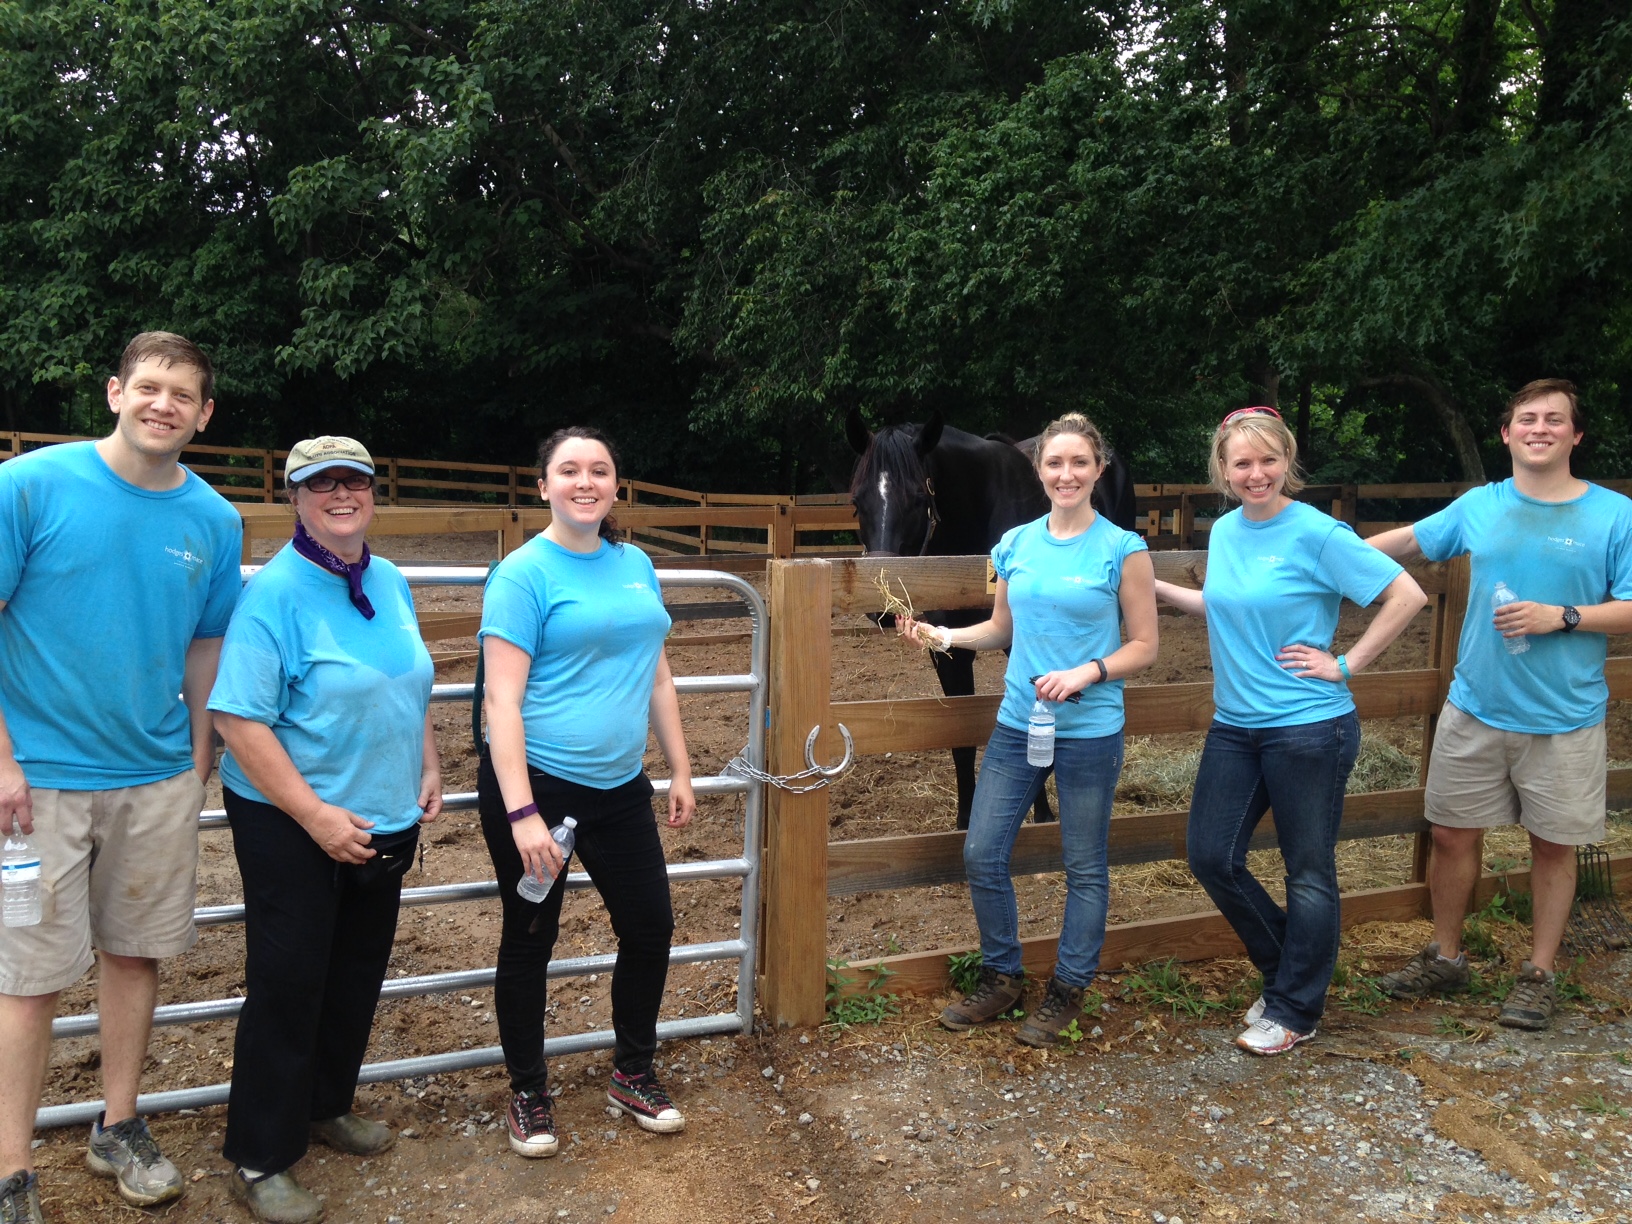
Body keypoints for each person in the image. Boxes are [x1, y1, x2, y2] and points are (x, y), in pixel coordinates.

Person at [0, 333, 242, 1220]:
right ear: (114, 391)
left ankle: (120, 1123)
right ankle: (11, 1167)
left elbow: (207, 642)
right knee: (27, 976)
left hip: (153, 774)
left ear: (204, 414)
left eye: (183, 394)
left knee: (134, 953)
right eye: (148, 386)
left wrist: (201, 748)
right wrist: (1, 763)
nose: (163, 404)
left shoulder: (213, 521)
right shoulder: (30, 487)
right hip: (39, 782)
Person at [208, 437, 440, 1222]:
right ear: (296, 498)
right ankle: (259, 1155)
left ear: (373, 491)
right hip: (289, 818)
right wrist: (313, 816)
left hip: (380, 808)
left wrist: (427, 760)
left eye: (355, 482)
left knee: (355, 971)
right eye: (322, 485)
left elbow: (405, 677)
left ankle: (326, 1103)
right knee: (290, 979)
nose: (342, 495)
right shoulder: (275, 594)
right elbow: (239, 719)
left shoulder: (389, 578)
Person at [1154, 407, 1425, 1056]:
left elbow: (1407, 595)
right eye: (1242, 463)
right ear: (1222, 470)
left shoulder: (1318, 532)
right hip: (1235, 726)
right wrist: (1152, 585)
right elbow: (1222, 604)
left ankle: (1297, 1010)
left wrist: (1346, 663)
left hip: (1308, 728)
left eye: (1268, 460)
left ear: (1288, 461)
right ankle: (1286, 973)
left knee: (1307, 871)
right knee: (1210, 855)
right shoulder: (1225, 532)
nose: (1256, 474)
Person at [1370, 380, 1632, 1029]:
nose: (1539, 428)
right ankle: (1447, 956)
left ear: (1575, 435)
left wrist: (1561, 616)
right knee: (1453, 835)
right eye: (1527, 418)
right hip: (1475, 708)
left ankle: (1539, 973)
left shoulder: (1613, 515)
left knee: (1553, 847)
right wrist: (1312, 557)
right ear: (1507, 434)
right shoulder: (1479, 506)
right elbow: (1402, 544)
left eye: (1555, 419)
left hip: (1564, 717)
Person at [900, 413, 1159, 1047]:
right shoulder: (1013, 545)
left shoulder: (1125, 550)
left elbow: (1146, 646)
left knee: (1084, 865)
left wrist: (1089, 673)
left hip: (1090, 728)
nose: (1065, 474)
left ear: (1098, 470)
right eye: (1054, 463)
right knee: (982, 852)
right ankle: (1002, 976)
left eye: (1078, 463)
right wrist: (945, 634)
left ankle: (1068, 987)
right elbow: (1002, 629)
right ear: (1039, 470)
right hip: (1018, 724)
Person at [477, 426, 695, 1158]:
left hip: (620, 787)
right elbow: (500, 704)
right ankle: (528, 1093)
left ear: (614, 486)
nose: (584, 481)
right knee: (530, 937)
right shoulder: (522, 575)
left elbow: (657, 674)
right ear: (542, 486)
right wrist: (520, 813)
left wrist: (680, 767)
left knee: (650, 926)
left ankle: (632, 1071)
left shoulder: (635, 564)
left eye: (598, 470)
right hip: (539, 785)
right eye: (568, 470)